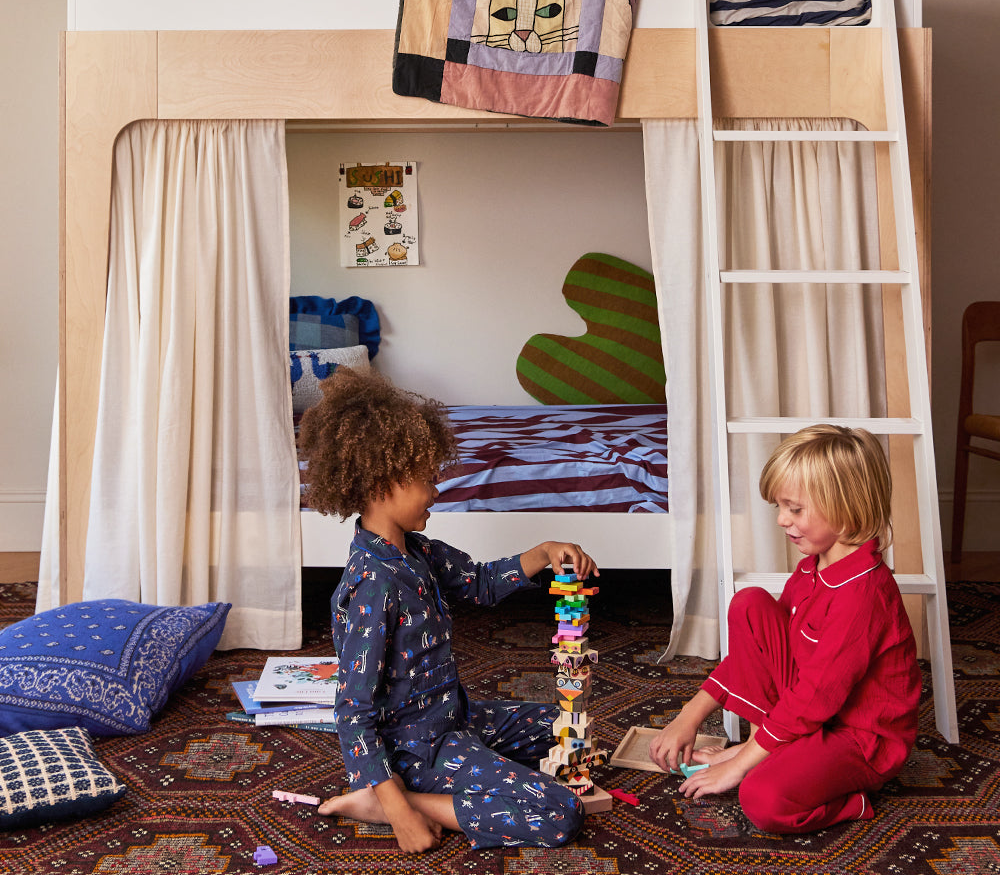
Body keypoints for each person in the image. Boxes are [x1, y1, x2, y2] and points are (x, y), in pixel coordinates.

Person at [297, 366, 596, 854]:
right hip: (416, 750)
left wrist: (543, 552)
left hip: (453, 720)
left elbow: (478, 583)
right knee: (559, 812)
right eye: (426, 478)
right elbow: (353, 712)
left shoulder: (418, 552)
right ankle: (394, 800)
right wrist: (398, 810)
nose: (436, 489)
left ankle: (444, 784)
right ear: (382, 482)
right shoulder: (372, 587)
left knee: (568, 732)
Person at [649, 424, 921, 834]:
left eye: (795, 509)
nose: (781, 520)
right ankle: (771, 750)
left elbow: (815, 697)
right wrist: (689, 716)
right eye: (780, 507)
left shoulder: (862, 594)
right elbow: (755, 652)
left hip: (859, 739)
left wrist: (739, 766)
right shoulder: (813, 568)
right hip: (815, 714)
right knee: (750, 604)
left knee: (761, 799)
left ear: (846, 506)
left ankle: (854, 800)